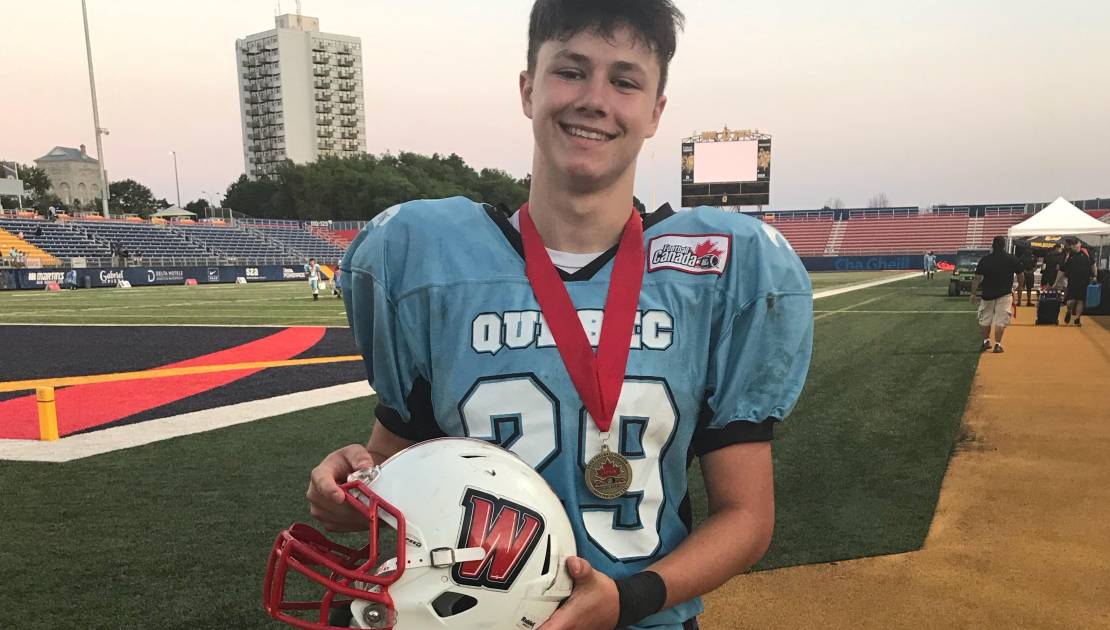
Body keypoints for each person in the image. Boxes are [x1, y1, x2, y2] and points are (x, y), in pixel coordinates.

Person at [306, 3, 814, 630]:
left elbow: (746, 516)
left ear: (655, 112)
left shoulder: (716, 271)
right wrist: (356, 484)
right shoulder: (426, 254)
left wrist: (629, 600)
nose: (595, 99)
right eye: (570, 71)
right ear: (527, 88)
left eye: (625, 81)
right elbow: (403, 459)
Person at [970, 235, 1023, 353]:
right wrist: (1020, 287)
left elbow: (977, 278)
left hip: (987, 294)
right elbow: (1020, 275)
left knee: (985, 320)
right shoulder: (1012, 259)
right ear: (1004, 246)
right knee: (1001, 321)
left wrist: (973, 293)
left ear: (992, 245)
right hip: (1004, 294)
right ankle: (998, 344)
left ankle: (986, 341)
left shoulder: (985, 260)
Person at [1061, 237, 1094, 326]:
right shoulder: (1069, 255)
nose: (1074, 246)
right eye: (1072, 244)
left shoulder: (1087, 253)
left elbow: (1093, 264)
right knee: (1071, 300)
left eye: (1075, 244)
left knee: (1081, 300)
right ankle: (1069, 311)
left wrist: (1094, 276)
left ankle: (1077, 318)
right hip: (1072, 280)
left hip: (1084, 280)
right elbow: (1063, 268)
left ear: (1079, 243)